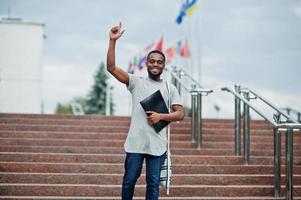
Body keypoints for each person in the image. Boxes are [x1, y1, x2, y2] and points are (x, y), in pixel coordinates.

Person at [106, 23, 184, 200]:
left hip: (157, 144)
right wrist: (112, 41)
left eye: (159, 62)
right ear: (146, 63)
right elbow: (111, 68)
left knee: (153, 185)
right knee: (129, 181)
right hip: (135, 143)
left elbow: (180, 114)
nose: (155, 64)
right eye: (152, 61)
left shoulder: (169, 87)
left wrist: (161, 116)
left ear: (164, 65)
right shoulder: (135, 82)